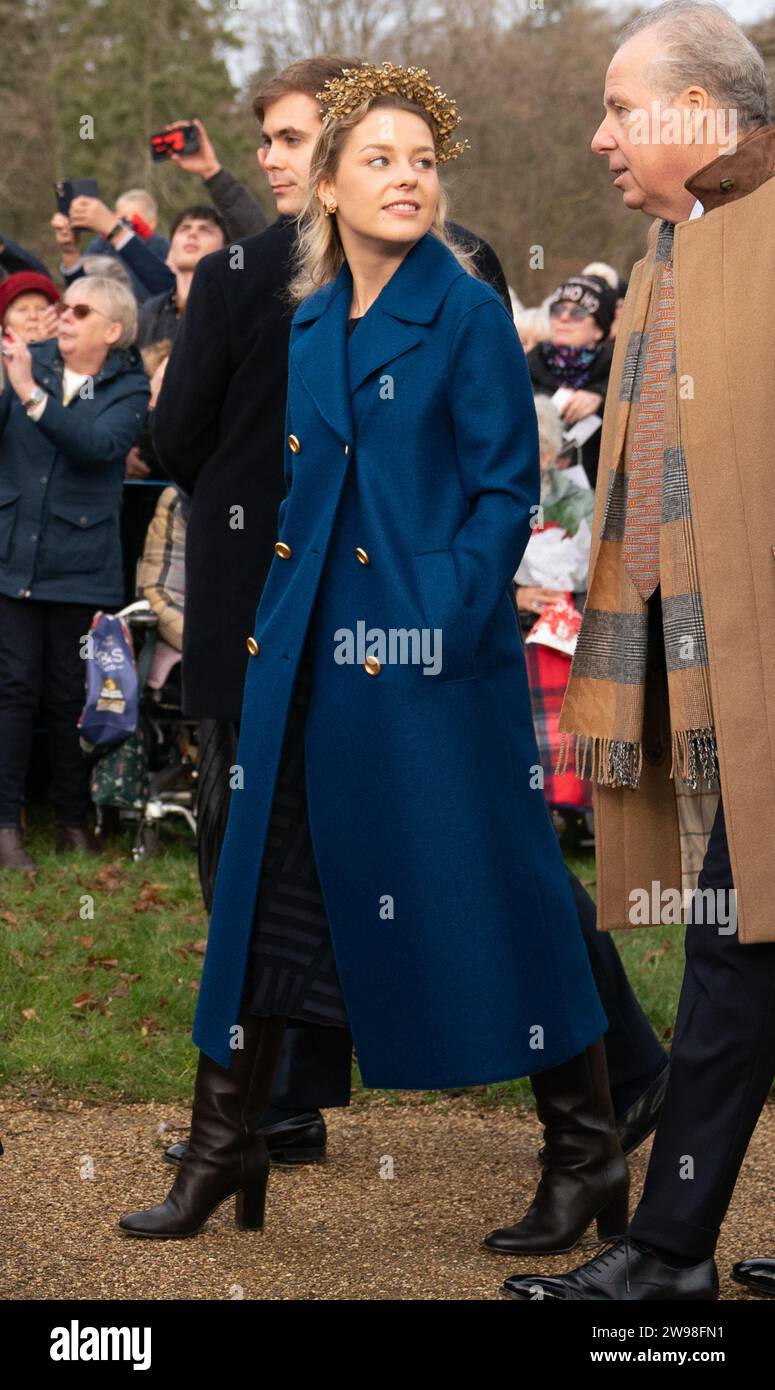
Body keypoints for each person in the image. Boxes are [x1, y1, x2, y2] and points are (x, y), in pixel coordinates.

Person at [117, 60, 629, 1244]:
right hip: (300, 657)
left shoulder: (461, 310)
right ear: (330, 187)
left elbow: (506, 497)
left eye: (424, 161)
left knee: (501, 896)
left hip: (429, 668)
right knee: (257, 897)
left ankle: (589, 1151)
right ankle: (222, 1144)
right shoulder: (305, 317)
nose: (408, 177)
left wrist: (432, 629)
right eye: (380, 159)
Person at [503, 0, 775, 1302]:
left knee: (734, 939)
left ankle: (666, 1251)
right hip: (723, 660)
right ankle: (667, 1244)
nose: (601, 134)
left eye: (620, 107)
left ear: (696, 107)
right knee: (741, 930)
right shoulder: (683, 246)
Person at [0, 277, 149, 870]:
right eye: (64, 306)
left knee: (70, 698)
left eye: (80, 310)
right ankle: (6, 827)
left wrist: (31, 396)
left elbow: (96, 444)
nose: (63, 316)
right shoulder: (24, 362)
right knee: (13, 691)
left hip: (82, 568)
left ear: (112, 330)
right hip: (13, 559)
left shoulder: (128, 385)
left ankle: (71, 820)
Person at [526, 274, 616, 487]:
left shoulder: (618, 373)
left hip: (596, 498)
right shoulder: (525, 367)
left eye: (578, 312)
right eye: (557, 310)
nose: (564, 318)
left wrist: (603, 399)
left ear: (599, 329)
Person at [0, 272, 60, 345]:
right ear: (6, 321)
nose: (33, 316)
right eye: (22, 310)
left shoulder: (70, 352)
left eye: (41, 309)